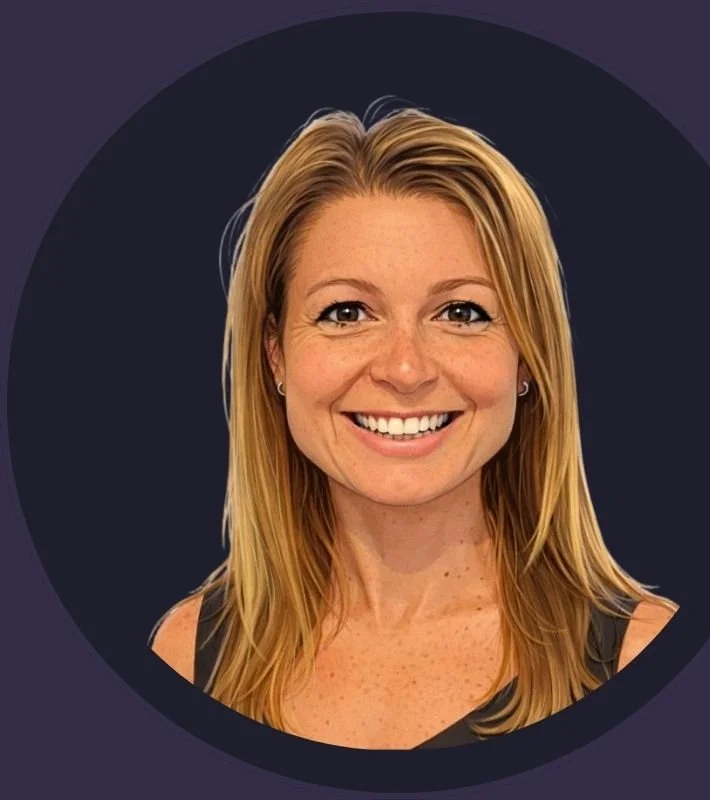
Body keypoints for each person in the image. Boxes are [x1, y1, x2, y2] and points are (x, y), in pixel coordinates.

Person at [150, 104, 677, 750]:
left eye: (462, 311)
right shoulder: (187, 658)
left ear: (527, 357)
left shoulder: (649, 663)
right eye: (346, 312)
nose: (405, 368)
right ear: (276, 355)